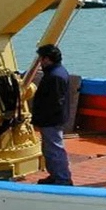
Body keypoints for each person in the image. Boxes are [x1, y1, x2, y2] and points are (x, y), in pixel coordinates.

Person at [31, 44, 73, 186]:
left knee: (54, 149)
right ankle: (55, 175)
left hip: (51, 120)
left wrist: (41, 118)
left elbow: (54, 102)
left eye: (41, 59)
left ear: (47, 59)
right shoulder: (57, 72)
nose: (40, 62)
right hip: (51, 118)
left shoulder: (55, 76)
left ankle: (62, 178)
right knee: (50, 148)